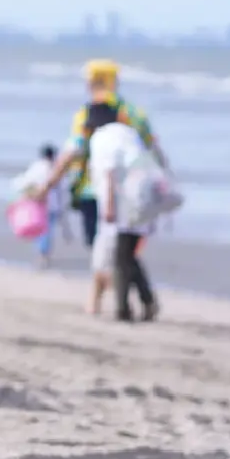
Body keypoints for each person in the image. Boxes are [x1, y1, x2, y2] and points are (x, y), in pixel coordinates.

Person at [39, 59, 173, 308]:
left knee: (104, 245)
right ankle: (130, 298)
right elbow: (155, 150)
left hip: (96, 188)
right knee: (123, 246)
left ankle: (104, 299)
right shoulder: (135, 114)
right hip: (134, 191)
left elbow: (73, 150)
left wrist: (49, 183)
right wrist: (163, 182)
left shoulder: (88, 112)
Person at [84, 102, 160, 321]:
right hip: (144, 196)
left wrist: (108, 206)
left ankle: (124, 308)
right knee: (126, 254)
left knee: (121, 256)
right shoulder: (129, 133)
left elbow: (108, 170)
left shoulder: (102, 137)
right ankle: (144, 302)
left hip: (123, 201)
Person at [11, 144, 65, 268]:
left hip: (39, 205)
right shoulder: (56, 168)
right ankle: (44, 253)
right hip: (51, 205)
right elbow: (63, 189)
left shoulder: (37, 167)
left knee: (41, 230)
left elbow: (22, 183)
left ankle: (42, 253)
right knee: (47, 230)